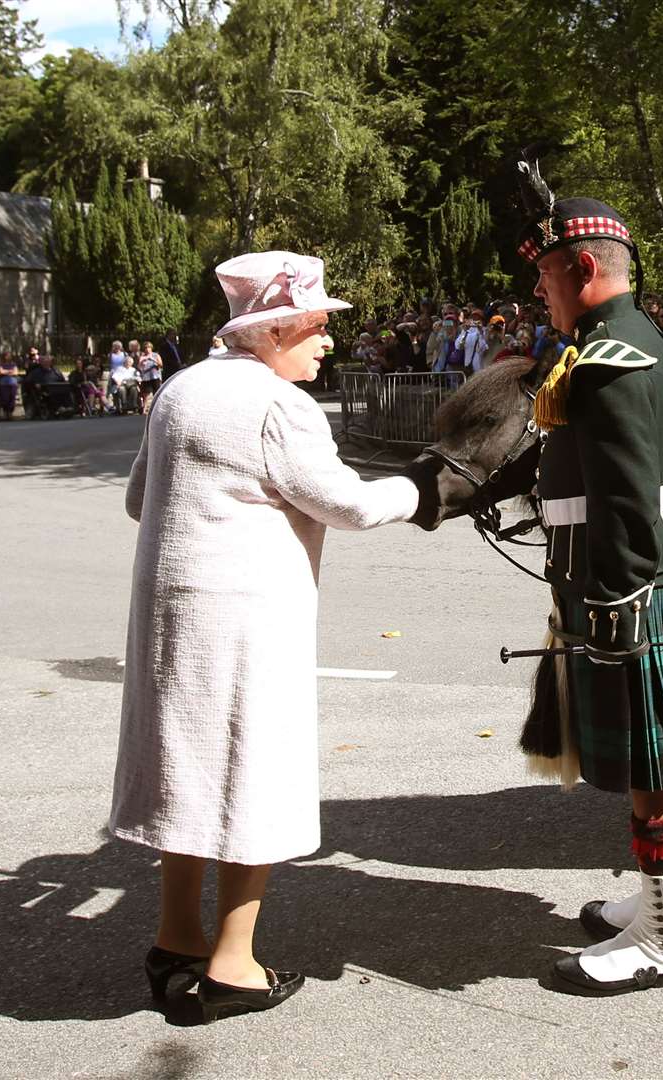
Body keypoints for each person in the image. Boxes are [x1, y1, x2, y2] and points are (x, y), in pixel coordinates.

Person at [110, 251, 429, 1023]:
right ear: (276, 327)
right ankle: (231, 963)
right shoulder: (278, 406)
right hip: (246, 621)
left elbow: (136, 500)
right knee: (251, 776)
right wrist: (423, 487)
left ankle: (175, 936)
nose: (328, 342)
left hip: (170, 617)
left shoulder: (180, 387)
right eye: (318, 327)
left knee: (185, 771)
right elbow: (345, 505)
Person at [516, 149, 663, 995]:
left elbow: (623, 511)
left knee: (654, 778)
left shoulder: (608, 362)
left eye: (544, 275)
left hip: (629, 595)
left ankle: (662, 942)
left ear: (581, 268)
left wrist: (610, 610)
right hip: (651, 585)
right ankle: (654, 906)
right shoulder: (630, 337)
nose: (538, 292)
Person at [0, 351, 20, 420]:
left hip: (12, 383)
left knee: (12, 397)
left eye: (9, 356)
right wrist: (10, 371)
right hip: (4, 383)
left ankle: (10, 413)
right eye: (6, 356)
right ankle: (5, 412)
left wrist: (6, 372)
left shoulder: (13, 364)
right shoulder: (1, 364)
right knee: (5, 398)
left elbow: (16, 372)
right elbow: (1, 371)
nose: (7, 357)